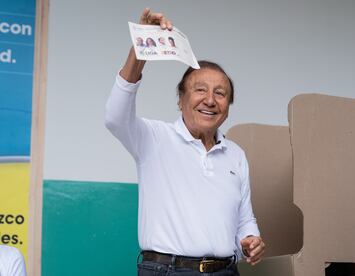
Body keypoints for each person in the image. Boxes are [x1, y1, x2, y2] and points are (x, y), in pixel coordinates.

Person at [105, 8, 265, 276]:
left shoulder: (236, 154)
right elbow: (114, 116)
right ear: (180, 100)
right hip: (167, 271)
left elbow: (245, 218)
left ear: (228, 106)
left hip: (227, 271)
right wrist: (140, 46)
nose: (210, 100)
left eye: (220, 93)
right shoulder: (153, 138)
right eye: (200, 90)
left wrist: (251, 239)